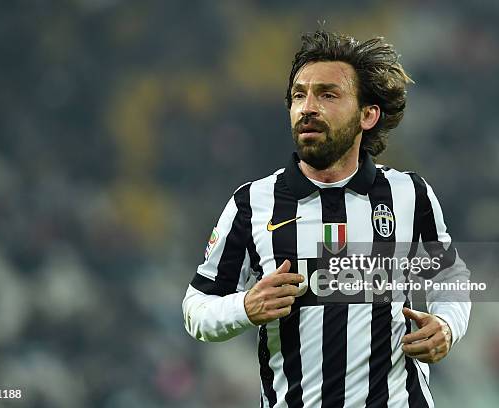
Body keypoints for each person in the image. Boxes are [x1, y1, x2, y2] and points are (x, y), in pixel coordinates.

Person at [182, 30, 471, 408]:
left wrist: (447, 326)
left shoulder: (408, 195)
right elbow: (197, 306)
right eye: (299, 95)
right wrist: (244, 307)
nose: (308, 107)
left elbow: (450, 279)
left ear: (368, 114)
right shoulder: (252, 203)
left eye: (328, 94)